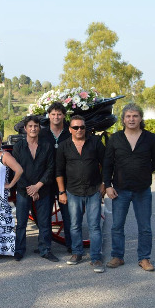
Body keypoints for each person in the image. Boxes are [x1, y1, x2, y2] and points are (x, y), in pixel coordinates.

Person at [104, 103, 155, 272]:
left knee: (145, 227)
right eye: (128, 116)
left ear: (141, 118)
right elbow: (107, 164)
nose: (131, 119)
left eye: (135, 116)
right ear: (123, 119)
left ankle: (144, 259)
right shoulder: (115, 139)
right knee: (117, 226)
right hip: (120, 189)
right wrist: (108, 185)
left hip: (142, 190)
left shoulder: (151, 138)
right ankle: (117, 256)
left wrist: (144, 171)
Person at [56, 115, 106, 273]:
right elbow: (59, 171)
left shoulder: (96, 143)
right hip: (72, 191)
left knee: (94, 226)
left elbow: (106, 164)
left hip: (93, 191)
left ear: (86, 129)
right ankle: (77, 253)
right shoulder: (64, 146)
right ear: (70, 129)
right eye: (75, 127)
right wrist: (62, 192)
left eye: (82, 127)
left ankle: (96, 258)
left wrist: (104, 184)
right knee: (75, 225)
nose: (79, 130)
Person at [12, 115, 58, 262]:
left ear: (39, 128)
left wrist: (37, 186)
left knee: (44, 222)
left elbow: (50, 168)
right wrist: (29, 189)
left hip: (43, 189)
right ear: (25, 129)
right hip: (23, 191)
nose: (33, 129)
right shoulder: (18, 146)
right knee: (21, 222)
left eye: (36, 126)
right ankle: (19, 250)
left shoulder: (46, 145)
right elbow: (16, 169)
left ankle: (45, 250)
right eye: (30, 126)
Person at [39, 101, 72, 253]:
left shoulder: (70, 132)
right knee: (45, 215)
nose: (56, 117)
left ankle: (72, 246)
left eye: (59, 114)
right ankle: (45, 247)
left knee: (67, 214)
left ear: (64, 115)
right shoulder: (43, 133)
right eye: (53, 114)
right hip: (46, 179)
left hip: (66, 178)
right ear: (49, 116)